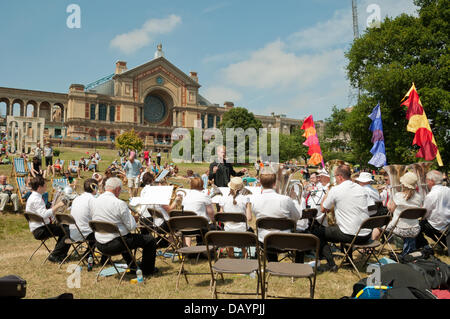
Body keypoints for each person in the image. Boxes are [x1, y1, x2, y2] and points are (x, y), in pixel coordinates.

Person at [91, 177, 158, 277]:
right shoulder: (119, 203)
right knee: (150, 240)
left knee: (125, 237)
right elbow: (132, 227)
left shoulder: (95, 200)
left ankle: (133, 267)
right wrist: (132, 218)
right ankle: (148, 270)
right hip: (115, 244)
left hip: (99, 244)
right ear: (117, 189)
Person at [314, 164, 371, 272]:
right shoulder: (361, 188)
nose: (334, 179)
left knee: (318, 233)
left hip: (351, 234)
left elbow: (323, 209)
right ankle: (348, 260)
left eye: (335, 176)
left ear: (340, 176)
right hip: (366, 234)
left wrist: (327, 195)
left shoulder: (336, 190)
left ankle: (331, 264)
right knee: (344, 226)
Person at [250, 167, 302, 262]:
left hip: (265, 242)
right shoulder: (285, 199)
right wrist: (294, 199)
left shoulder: (254, 200)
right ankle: (298, 266)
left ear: (260, 183)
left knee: (267, 232)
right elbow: (297, 217)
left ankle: (272, 263)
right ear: (275, 183)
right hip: (285, 241)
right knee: (302, 236)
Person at [372, 172, 423, 257]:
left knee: (377, 227)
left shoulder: (399, 196)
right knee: (406, 224)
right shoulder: (419, 197)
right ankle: (409, 252)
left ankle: (369, 250)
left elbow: (391, 210)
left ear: (403, 184)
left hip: (401, 229)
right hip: (415, 229)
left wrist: (389, 202)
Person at [25, 175, 69, 263]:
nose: (46, 187)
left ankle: (60, 253)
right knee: (68, 231)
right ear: (39, 187)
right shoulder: (36, 199)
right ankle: (56, 255)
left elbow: (42, 213)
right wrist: (58, 205)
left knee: (65, 228)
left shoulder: (34, 197)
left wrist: (52, 209)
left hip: (39, 227)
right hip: (41, 230)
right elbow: (44, 214)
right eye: (45, 185)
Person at [416, 170, 450, 256]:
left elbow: (424, 213)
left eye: (427, 180)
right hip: (448, 223)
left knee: (417, 227)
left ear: (432, 181)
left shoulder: (431, 195)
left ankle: (425, 247)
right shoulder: (448, 190)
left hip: (438, 224)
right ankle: (443, 243)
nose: (426, 182)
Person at [218, 177, 252, 258]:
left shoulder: (223, 199)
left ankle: (232, 260)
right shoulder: (246, 199)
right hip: (242, 231)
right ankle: (245, 257)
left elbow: (220, 217)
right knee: (245, 234)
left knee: (230, 237)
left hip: (228, 230)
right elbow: (249, 218)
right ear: (242, 188)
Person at [69, 178, 100, 259]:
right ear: (94, 187)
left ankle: (88, 253)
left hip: (72, 232)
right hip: (84, 233)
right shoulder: (92, 200)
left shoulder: (77, 198)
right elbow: (99, 217)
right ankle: (103, 259)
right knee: (104, 231)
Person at [182, 177, 216, 246]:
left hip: (187, 227)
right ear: (202, 184)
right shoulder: (204, 196)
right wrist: (215, 222)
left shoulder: (185, 196)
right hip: (201, 227)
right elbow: (211, 213)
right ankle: (207, 250)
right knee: (216, 228)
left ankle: (188, 249)